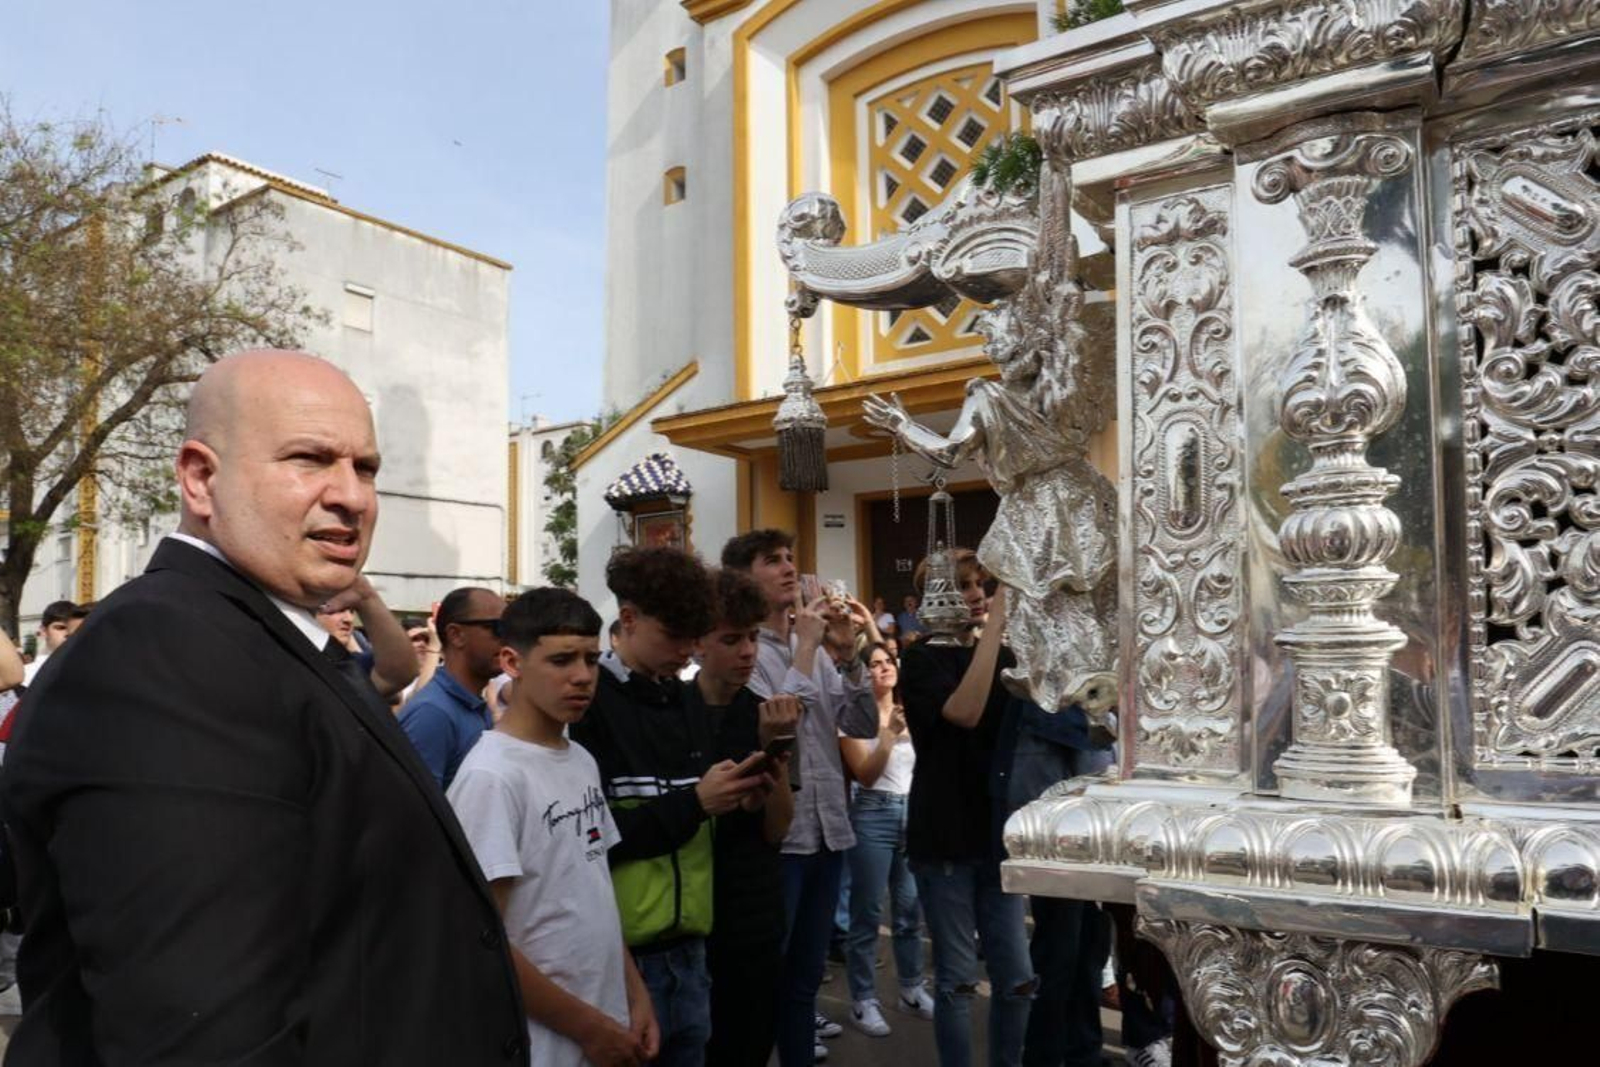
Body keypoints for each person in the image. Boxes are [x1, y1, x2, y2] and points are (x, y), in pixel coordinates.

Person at [0, 349, 526, 1064]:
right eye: (310, 459)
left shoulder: (268, 638)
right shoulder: (166, 651)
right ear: (200, 477)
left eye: (365, 467)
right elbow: (203, 1032)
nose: (353, 496)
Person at [572, 547, 768, 1067]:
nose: (687, 651)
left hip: (693, 946)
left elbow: (695, 818)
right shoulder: (590, 704)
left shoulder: (685, 701)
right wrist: (697, 804)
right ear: (629, 620)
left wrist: (735, 798)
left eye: (693, 636)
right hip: (624, 957)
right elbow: (591, 840)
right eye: (674, 635)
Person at [448, 587, 660, 1067]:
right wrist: (588, 1028)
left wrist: (633, 993)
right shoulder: (492, 777)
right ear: (512, 661)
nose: (583, 677)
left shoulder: (580, 758)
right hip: (543, 1042)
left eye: (591, 659)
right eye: (562, 660)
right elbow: (481, 939)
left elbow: (593, 890)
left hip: (603, 1025)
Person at [721, 529, 880, 1067]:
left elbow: (859, 721)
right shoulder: (746, 652)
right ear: (744, 577)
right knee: (767, 975)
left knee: (805, 981)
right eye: (773, 561)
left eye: (792, 557)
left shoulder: (805, 645)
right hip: (781, 840)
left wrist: (847, 651)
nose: (790, 568)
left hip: (828, 831)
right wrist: (810, 646)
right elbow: (783, 717)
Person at [901, 550, 1033, 1067]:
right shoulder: (920, 658)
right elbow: (965, 711)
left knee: (1018, 979)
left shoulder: (998, 654)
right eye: (962, 586)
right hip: (944, 835)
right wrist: (996, 627)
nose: (977, 594)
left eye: (980, 584)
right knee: (957, 980)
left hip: (996, 833)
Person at [690, 568, 799, 1067]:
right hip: (689, 914)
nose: (747, 652)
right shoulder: (675, 712)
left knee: (748, 1042)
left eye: (753, 637)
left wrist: (774, 749)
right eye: (731, 639)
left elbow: (778, 828)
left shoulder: (763, 713)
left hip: (751, 910)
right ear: (697, 644)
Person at [840, 642, 932, 1037]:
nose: (882, 669)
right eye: (873, 664)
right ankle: (863, 1000)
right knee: (868, 914)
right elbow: (864, 774)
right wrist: (890, 736)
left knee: (910, 913)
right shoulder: (852, 716)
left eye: (887, 662)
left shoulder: (911, 707)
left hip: (912, 812)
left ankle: (911, 988)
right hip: (872, 813)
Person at [398, 585, 507, 789]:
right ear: (456, 635)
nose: (507, 639)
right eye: (497, 628)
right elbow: (415, 811)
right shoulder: (432, 713)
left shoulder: (473, 705)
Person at [19, 600, 75, 686]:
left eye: (75, 628)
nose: (68, 633)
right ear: (44, 631)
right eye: (60, 628)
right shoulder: (24, 676)